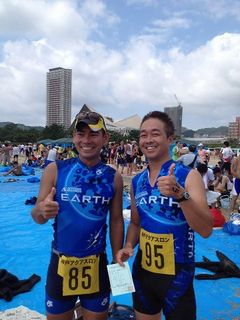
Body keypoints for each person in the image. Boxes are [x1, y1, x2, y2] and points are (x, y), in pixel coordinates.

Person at [116, 111, 213, 320]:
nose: (148, 140)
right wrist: (128, 246)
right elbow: (135, 222)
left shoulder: (189, 176)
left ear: (170, 139)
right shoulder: (137, 181)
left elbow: (205, 229)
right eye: (143, 135)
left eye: (155, 134)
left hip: (178, 274)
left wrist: (180, 194)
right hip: (143, 269)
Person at [31, 111, 124, 320]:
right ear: (74, 137)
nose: (86, 140)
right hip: (60, 262)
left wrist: (119, 255)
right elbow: (36, 216)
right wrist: (42, 211)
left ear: (105, 138)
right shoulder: (55, 170)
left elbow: (117, 219)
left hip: (97, 263)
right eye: (81, 134)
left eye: (93, 134)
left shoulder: (113, 177)